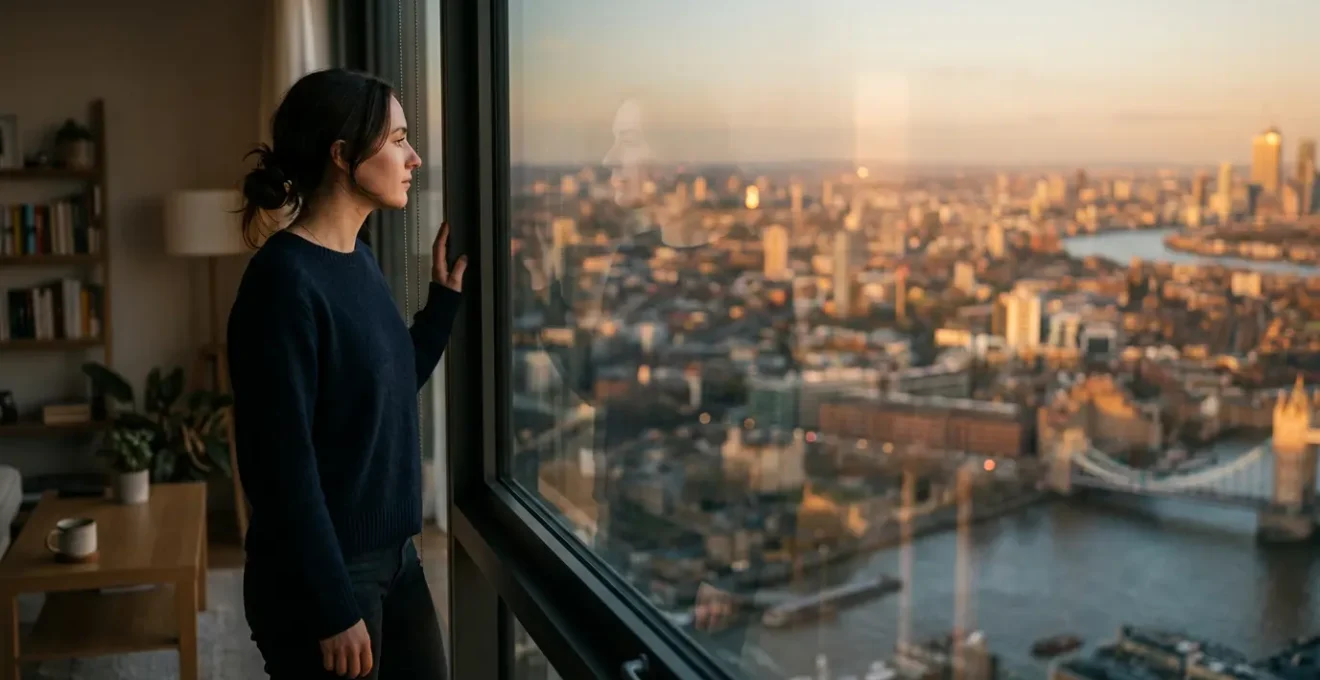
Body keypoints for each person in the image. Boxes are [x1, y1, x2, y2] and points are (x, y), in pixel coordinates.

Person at [228, 68, 464, 680]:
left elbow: (381, 393)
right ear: (342, 155)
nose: (414, 158)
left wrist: (442, 304)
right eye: (398, 139)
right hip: (322, 576)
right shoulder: (283, 283)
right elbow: (280, 468)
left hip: (393, 558)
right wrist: (330, 606)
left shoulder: (358, 259)